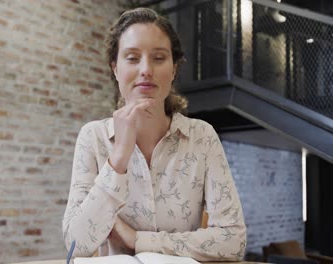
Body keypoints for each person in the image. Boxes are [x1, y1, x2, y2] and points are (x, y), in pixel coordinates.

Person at [62, 7, 246, 261]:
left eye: (159, 58)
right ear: (115, 69)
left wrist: (136, 239)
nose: (146, 69)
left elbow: (233, 241)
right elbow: (75, 244)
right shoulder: (93, 137)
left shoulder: (202, 137)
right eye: (132, 58)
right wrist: (118, 159)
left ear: (173, 70)